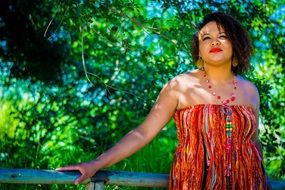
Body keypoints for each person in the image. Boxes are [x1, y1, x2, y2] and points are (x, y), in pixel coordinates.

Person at [57, 12, 270, 189]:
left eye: (222, 36)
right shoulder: (180, 85)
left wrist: (264, 183)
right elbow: (143, 133)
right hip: (194, 183)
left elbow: (253, 143)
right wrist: (96, 163)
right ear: (199, 52)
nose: (214, 41)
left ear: (236, 44)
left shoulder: (250, 90)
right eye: (206, 37)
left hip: (249, 183)